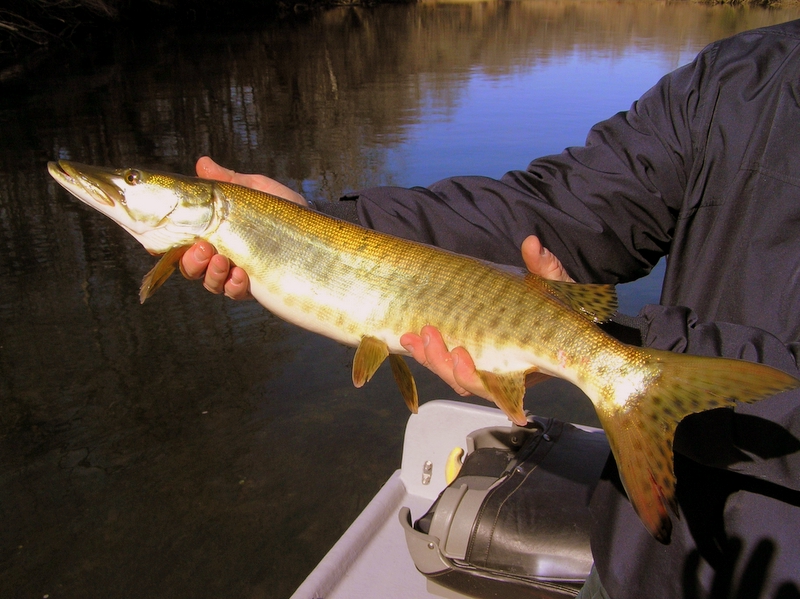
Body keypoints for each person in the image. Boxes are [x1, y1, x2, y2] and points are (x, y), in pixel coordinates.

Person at [182, 20, 800, 599]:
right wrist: (319, 227)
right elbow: (557, 207)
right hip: (639, 566)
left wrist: (616, 343)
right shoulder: (739, 77)